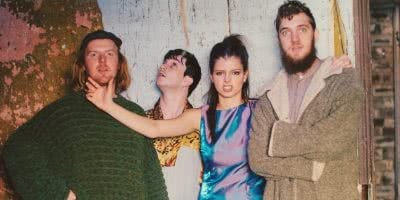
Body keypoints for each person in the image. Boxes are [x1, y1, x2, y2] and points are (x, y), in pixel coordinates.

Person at [86, 35, 267, 199]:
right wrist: (108, 105)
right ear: (212, 76)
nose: (227, 80)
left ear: (245, 75)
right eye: (220, 73)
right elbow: (153, 128)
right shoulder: (200, 116)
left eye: (235, 73)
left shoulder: (261, 110)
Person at [2, 30, 168, 200]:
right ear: (83, 64)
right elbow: (15, 149)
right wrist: (59, 194)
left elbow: (152, 178)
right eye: (94, 54)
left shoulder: (134, 112)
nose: (102, 61)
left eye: (110, 54)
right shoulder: (64, 112)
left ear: (119, 63)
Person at [247, 1, 363, 200]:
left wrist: (277, 137)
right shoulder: (268, 96)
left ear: (315, 34)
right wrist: (311, 168)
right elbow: (257, 160)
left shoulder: (343, 82)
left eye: (302, 29)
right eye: (286, 32)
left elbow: (333, 140)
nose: (295, 39)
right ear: (279, 39)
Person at [148, 49, 202, 200]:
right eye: (164, 62)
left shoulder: (202, 125)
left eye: (173, 64)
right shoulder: (142, 120)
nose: (163, 67)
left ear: (187, 80)